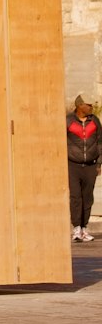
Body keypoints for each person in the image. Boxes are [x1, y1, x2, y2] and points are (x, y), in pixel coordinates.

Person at [67, 94, 101, 242]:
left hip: (91, 165)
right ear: (80, 106)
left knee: (88, 198)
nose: (91, 107)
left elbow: (100, 142)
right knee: (75, 197)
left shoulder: (95, 121)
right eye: (88, 105)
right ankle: (76, 229)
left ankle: (84, 228)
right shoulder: (68, 121)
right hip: (73, 165)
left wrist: (99, 163)